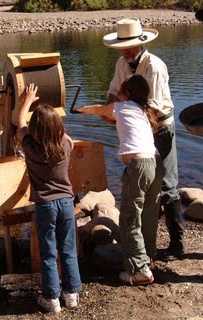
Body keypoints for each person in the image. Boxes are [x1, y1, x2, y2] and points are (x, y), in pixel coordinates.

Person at [103, 18, 185, 261]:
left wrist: (121, 114)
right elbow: (113, 92)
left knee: (168, 185)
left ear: (140, 44)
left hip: (160, 128)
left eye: (129, 46)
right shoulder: (122, 63)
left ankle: (177, 244)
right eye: (122, 46)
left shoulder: (154, 66)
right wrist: (110, 109)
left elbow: (154, 107)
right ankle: (147, 244)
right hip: (142, 128)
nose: (125, 50)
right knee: (145, 184)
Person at [75, 74, 164, 285]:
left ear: (126, 94)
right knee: (149, 215)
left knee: (129, 218)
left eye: (120, 93)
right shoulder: (144, 110)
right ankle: (147, 257)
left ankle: (140, 271)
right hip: (155, 164)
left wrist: (80, 109)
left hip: (140, 167)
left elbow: (99, 108)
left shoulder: (123, 107)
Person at [17, 83, 82, 313]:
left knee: (48, 252)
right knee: (68, 249)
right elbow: (61, 132)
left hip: (45, 205)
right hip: (66, 202)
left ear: (35, 130)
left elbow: (21, 123)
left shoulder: (30, 147)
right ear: (58, 127)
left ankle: (51, 298)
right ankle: (72, 294)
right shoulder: (65, 144)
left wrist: (27, 101)